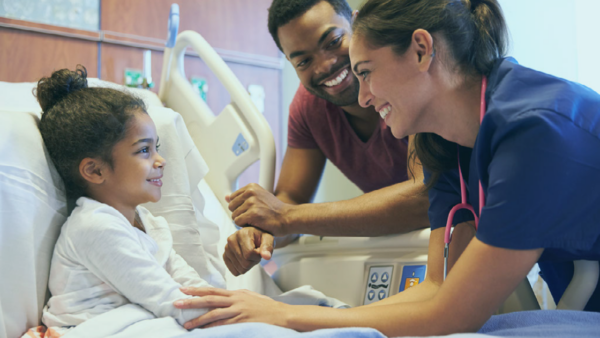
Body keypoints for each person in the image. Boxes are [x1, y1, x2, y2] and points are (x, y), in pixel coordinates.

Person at [174, 0, 600, 335]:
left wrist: (286, 317)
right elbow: (437, 289)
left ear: (421, 50)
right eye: (302, 60)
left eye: (366, 72)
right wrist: (297, 316)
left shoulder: (535, 132)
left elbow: (452, 314)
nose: (361, 98)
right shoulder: (448, 143)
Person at [222, 0, 430, 277]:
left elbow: (424, 197)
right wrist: (261, 231)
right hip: (404, 247)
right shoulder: (309, 109)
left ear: (357, 24)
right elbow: (290, 198)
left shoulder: (408, 74)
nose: (326, 65)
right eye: (304, 61)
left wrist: (284, 218)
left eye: (333, 41)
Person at [36, 66, 216, 330]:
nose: (161, 160)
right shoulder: (94, 227)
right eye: (144, 150)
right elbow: (174, 302)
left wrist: (240, 306)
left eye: (157, 147)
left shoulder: (149, 223)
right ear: (95, 170)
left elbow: (194, 290)